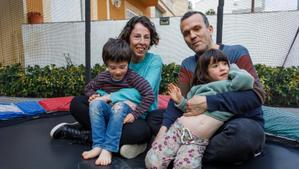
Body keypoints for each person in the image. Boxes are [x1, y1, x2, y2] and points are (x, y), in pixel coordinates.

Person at [154, 11, 266, 164]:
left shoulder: (236, 52)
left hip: (236, 122)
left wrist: (208, 102)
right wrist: (163, 131)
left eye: (197, 28)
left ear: (210, 29)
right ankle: (184, 153)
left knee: (246, 135)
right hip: (200, 125)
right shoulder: (188, 64)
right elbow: (178, 101)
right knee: (155, 118)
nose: (192, 35)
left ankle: (180, 152)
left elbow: (257, 96)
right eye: (186, 33)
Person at [50, 16, 163, 159]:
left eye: (146, 37)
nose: (142, 42)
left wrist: (110, 96)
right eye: (137, 36)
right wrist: (98, 96)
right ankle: (121, 144)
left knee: (138, 132)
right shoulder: (119, 58)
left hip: (137, 115)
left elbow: (144, 93)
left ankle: (85, 135)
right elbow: (105, 85)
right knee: (77, 103)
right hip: (112, 110)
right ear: (128, 37)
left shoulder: (155, 61)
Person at [145, 49, 256, 169]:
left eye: (225, 64)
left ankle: (176, 155)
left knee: (186, 167)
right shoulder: (198, 88)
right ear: (206, 73)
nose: (223, 68)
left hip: (197, 142)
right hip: (178, 130)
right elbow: (188, 107)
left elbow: (248, 81)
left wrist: (233, 67)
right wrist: (180, 100)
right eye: (215, 66)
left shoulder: (231, 86)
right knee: (153, 163)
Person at [81, 38, 154, 165]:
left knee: (119, 106)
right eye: (113, 67)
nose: (118, 71)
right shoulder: (103, 77)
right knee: (95, 103)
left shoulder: (133, 77)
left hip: (126, 113)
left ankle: (108, 148)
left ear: (128, 62)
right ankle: (98, 145)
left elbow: (149, 95)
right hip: (110, 111)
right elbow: (88, 88)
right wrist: (94, 95)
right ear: (106, 64)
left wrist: (134, 114)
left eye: (122, 67)